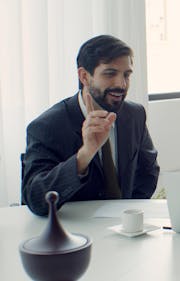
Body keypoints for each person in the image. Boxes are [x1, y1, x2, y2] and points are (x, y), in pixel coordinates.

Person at [22, 35, 160, 216]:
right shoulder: (46, 126)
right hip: (73, 234)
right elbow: (35, 198)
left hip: (125, 232)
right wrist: (84, 155)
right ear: (84, 76)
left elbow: (148, 173)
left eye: (126, 74)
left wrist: (128, 216)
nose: (121, 84)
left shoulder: (135, 114)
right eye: (110, 73)